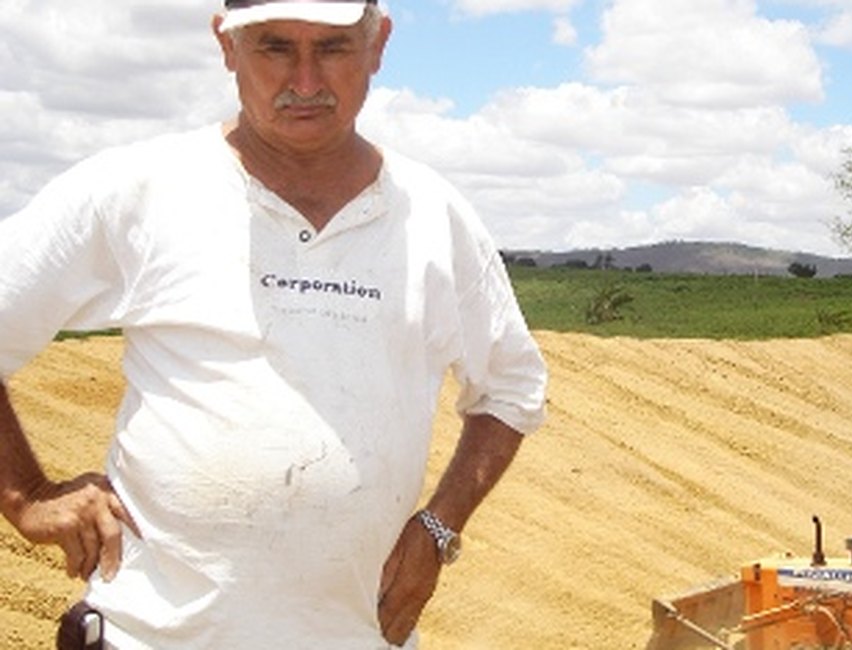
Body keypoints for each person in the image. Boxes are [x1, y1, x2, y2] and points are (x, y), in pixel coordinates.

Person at [0, 1, 547, 648]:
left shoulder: (434, 216)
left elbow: (510, 389)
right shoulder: (139, 190)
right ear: (227, 46)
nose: (307, 81)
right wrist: (26, 493)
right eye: (275, 47)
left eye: (335, 48)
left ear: (379, 45)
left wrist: (440, 526)